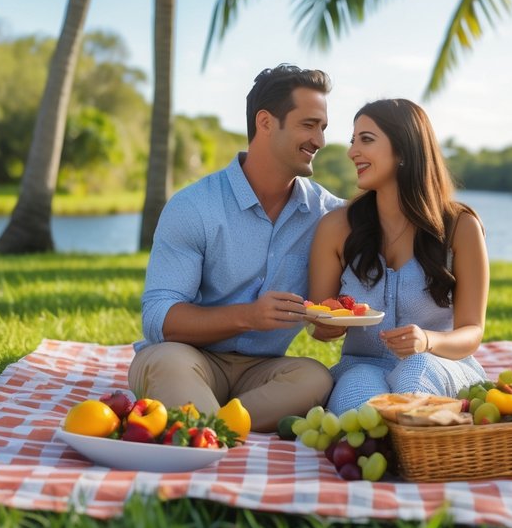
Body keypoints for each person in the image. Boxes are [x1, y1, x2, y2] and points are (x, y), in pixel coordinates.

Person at [128, 65, 345, 432]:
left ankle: (207, 428)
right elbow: (158, 318)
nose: (320, 141)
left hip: (263, 372)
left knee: (316, 377)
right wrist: (249, 316)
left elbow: (392, 219)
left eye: (323, 128)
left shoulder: (329, 216)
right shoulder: (194, 206)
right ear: (265, 122)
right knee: (164, 362)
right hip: (189, 357)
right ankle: (220, 427)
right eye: (309, 125)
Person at [308, 98, 490, 414]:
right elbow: (320, 324)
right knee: (357, 394)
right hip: (361, 363)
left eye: (366, 139)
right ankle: (387, 452)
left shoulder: (461, 227)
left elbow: (472, 331)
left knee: (414, 371)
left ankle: (417, 450)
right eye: (353, 141)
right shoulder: (336, 227)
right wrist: (328, 324)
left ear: (404, 149)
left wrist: (427, 341)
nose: (352, 152)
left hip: (439, 361)